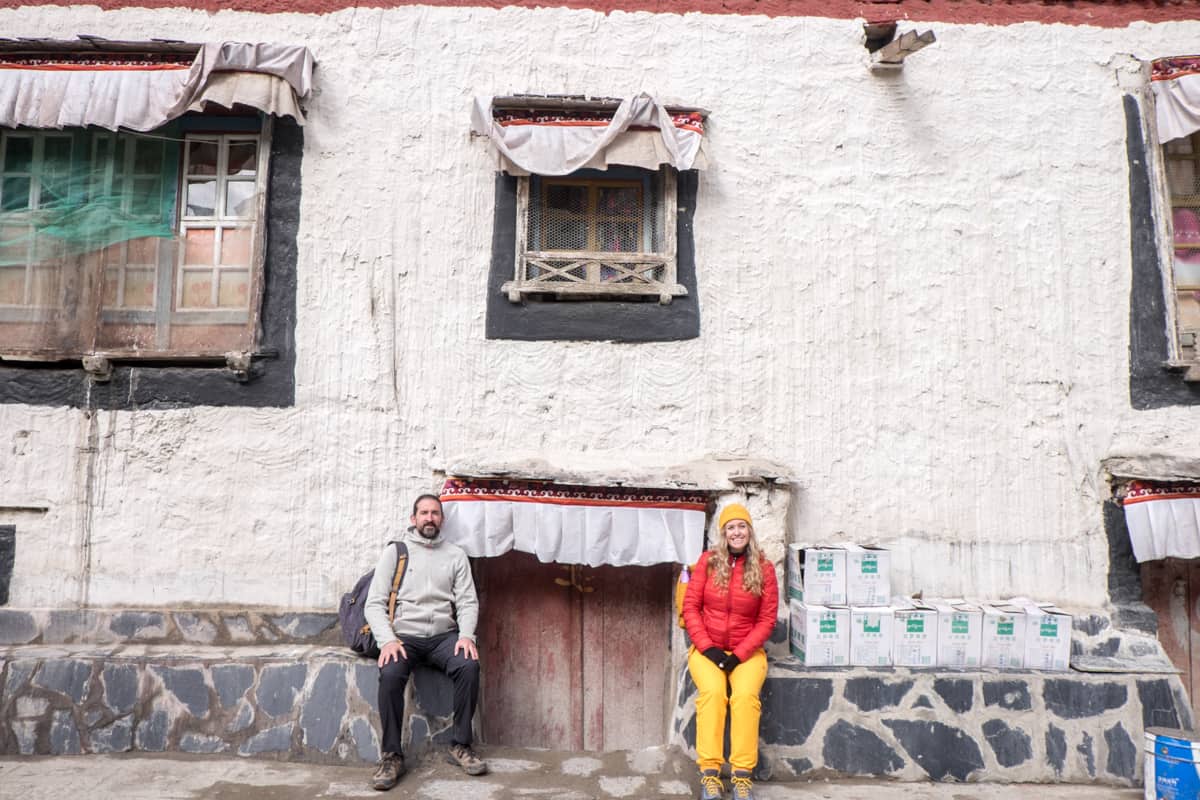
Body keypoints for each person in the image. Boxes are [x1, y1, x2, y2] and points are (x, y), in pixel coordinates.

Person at [364, 493, 487, 791]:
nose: (429, 518)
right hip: (404, 637)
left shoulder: (455, 554)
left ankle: (461, 745)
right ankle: (392, 756)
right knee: (391, 674)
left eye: (435, 513)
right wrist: (388, 640)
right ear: (413, 519)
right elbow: (374, 604)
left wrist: (466, 635)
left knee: (469, 666)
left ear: (441, 519)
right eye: (423, 513)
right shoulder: (396, 552)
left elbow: (468, 602)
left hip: (444, 636)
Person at [681, 503, 779, 800]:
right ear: (723, 533)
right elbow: (691, 607)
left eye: (742, 526)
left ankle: (741, 777)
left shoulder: (764, 568)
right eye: (731, 527)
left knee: (745, 698)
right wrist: (708, 649)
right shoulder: (708, 562)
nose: (737, 532)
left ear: (750, 531)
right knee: (712, 695)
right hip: (707, 649)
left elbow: (767, 620)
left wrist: (739, 655)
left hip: (746, 652)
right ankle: (710, 775)